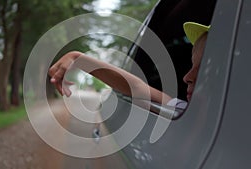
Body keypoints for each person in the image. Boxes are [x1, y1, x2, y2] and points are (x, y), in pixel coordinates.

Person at [48, 22, 210, 109]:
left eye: (205, 67)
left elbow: (138, 87)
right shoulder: (183, 109)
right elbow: (138, 87)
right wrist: (78, 58)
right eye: (192, 65)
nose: (186, 77)